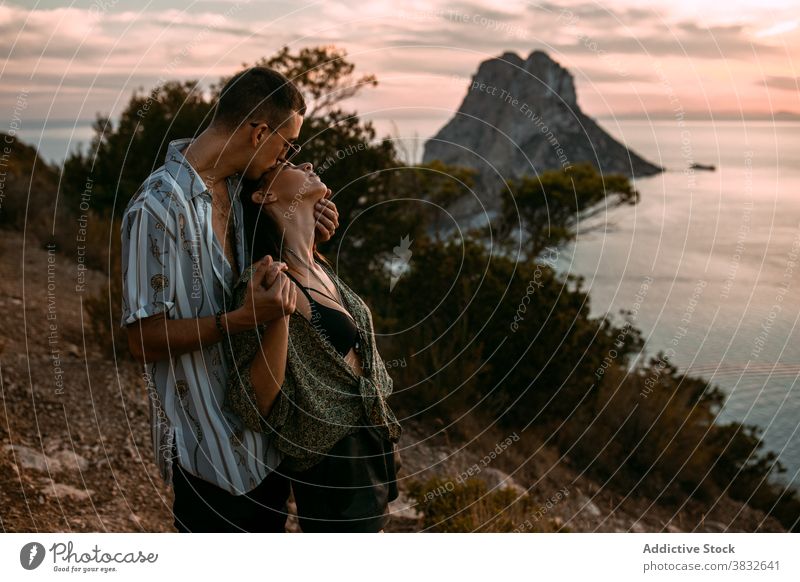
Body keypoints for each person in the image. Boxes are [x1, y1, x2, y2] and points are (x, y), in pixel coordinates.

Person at [120, 66, 340, 532]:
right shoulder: (156, 209)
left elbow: (281, 276)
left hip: (268, 448)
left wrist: (308, 222)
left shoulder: (243, 191)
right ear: (259, 131)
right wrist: (239, 320)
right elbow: (141, 341)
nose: (289, 157)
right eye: (288, 144)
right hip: (211, 459)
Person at [224, 160, 402, 532]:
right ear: (265, 194)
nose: (306, 163)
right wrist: (279, 317)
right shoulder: (263, 283)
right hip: (332, 467)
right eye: (288, 164)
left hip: (370, 450)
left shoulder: (320, 267)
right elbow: (253, 400)